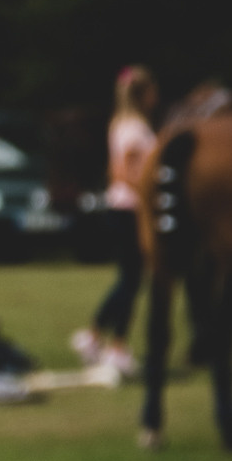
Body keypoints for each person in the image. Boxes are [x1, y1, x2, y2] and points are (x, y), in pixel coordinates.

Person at [73, 66, 158, 377]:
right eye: (152, 90)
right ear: (143, 94)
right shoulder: (134, 128)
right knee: (132, 281)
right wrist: (150, 197)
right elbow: (123, 171)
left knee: (130, 280)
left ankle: (98, 338)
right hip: (130, 210)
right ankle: (113, 345)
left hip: (121, 207)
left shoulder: (121, 124)